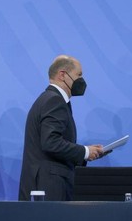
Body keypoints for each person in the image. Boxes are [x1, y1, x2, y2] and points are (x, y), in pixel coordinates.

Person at [18, 55, 107, 201]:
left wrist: (87, 152)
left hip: (45, 186)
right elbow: (50, 142)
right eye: (79, 75)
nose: (82, 80)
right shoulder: (54, 101)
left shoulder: (49, 99)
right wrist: (84, 152)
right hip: (49, 188)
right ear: (62, 75)